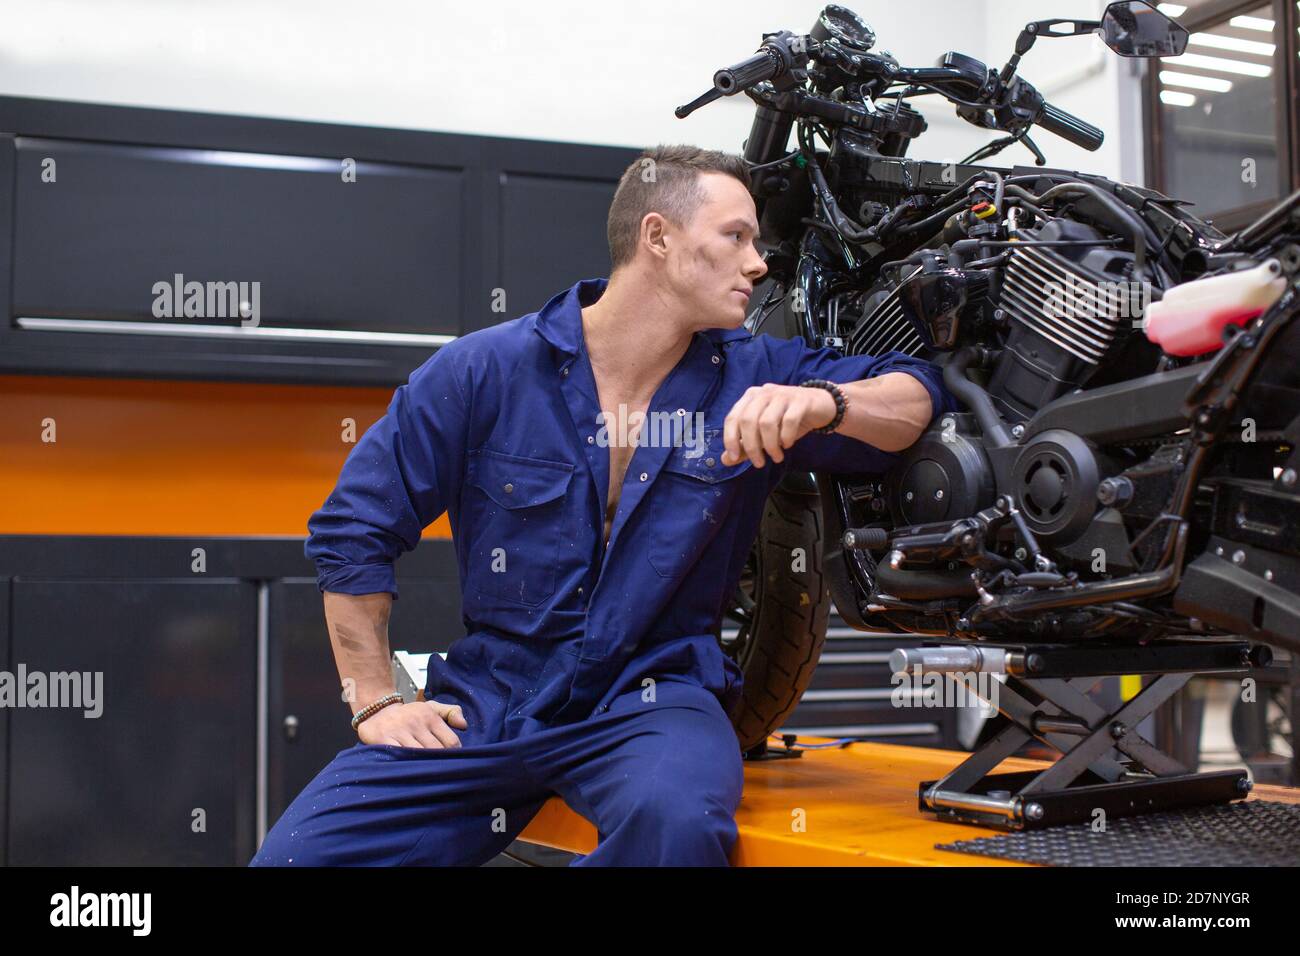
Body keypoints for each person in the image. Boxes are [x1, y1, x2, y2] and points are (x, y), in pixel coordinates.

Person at [249, 144, 957, 866]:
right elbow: (353, 529)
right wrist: (375, 698)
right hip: (493, 699)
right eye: (735, 237)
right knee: (297, 857)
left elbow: (922, 395)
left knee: (677, 828)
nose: (758, 263)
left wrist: (826, 402)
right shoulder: (484, 371)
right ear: (658, 238)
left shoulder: (755, 375)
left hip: (654, 706)